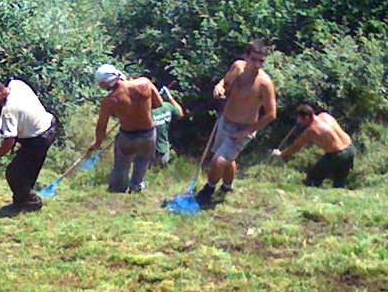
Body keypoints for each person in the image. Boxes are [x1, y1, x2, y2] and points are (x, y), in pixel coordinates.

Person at [196, 42, 276, 206]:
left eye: (261, 61)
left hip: (243, 129)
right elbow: (224, 82)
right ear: (246, 57)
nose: (257, 65)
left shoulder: (264, 83)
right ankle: (227, 186)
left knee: (218, 160)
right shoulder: (237, 67)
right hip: (225, 121)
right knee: (226, 158)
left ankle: (208, 190)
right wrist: (219, 88)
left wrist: (245, 132)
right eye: (254, 59)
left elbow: (271, 114)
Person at [0, 77, 57, 214]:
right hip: (48, 126)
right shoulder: (17, 84)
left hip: (38, 138)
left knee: (14, 173)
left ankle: (29, 203)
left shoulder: (9, 111)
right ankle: (24, 201)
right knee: (26, 171)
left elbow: (9, 141)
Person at [89, 64, 163, 193]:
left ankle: (118, 188)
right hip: (148, 133)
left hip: (127, 135)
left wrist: (97, 142)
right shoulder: (145, 83)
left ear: (106, 83)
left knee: (122, 163)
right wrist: (141, 110)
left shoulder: (109, 101)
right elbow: (159, 103)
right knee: (143, 159)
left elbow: (102, 127)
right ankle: (136, 186)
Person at [277, 103, 355, 188]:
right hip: (350, 148)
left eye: (301, 120)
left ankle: (312, 196)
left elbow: (295, 147)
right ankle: (337, 198)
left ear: (306, 117)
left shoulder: (312, 130)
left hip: (337, 154)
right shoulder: (325, 115)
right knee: (339, 183)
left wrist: (281, 154)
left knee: (312, 179)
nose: (300, 122)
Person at [152, 84, 184, 168]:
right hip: (163, 149)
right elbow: (180, 113)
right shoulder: (167, 106)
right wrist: (170, 98)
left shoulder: (146, 110)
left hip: (149, 149)